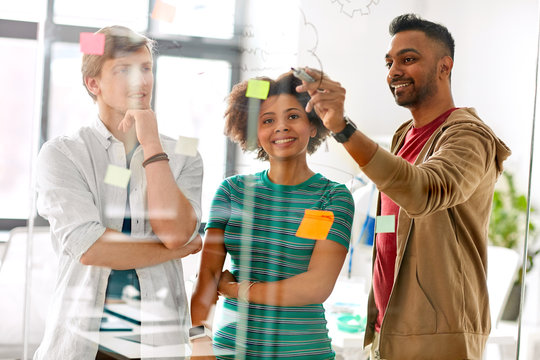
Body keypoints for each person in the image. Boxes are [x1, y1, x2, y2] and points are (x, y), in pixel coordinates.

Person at [297, 13, 512, 360]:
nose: (394, 71)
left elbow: (423, 192)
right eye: (389, 62)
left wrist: (342, 127)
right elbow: (392, 227)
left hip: (438, 337)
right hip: (388, 330)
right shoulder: (403, 136)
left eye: (408, 59)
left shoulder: (469, 136)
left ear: (445, 67)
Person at [34, 25, 203, 359]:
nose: (140, 80)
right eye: (123, 70)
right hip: (83, 341)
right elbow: (92, 249)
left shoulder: (185, 154)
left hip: (156, 342)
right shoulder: (63, 153)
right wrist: (175, 252)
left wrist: (152, 144)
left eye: (146, 68)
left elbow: (177, 232)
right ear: (93, 83)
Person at [190, 72, 355, 359]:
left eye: (293, 116)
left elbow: (315, 286)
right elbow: (207, 277)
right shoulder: (232, 191)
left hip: (303, 353)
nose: (280, 127)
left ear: (313, 125)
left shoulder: (331, 197)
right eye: (268, 120)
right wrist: (199, 343)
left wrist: (238, 289)